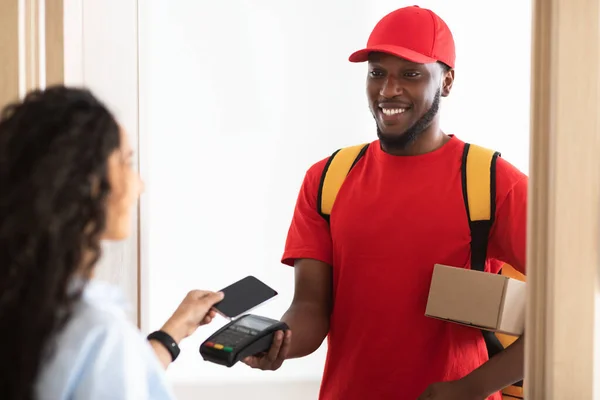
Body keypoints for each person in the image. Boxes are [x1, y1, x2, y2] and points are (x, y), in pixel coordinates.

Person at [242, 5, 527, 400]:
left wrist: (469, 388)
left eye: (410, 74)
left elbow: (567, 306)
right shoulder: (327, 179)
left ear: (446, 81)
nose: (388, 90)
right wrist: (279, 342)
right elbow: (310, 306)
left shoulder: (491, 182)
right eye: (378, 72)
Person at [0, 86, 224, 400]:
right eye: (127, 163)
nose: (139, 185)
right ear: (88, 183)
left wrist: (174, 331)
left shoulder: (26, 305)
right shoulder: (99, 334)